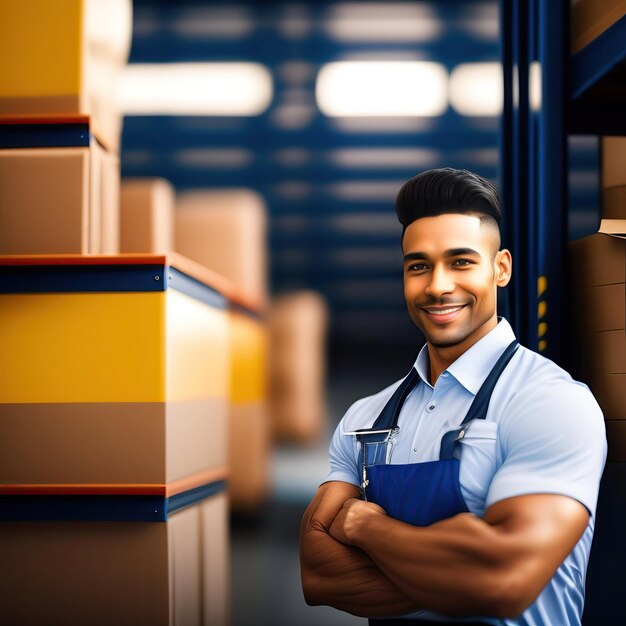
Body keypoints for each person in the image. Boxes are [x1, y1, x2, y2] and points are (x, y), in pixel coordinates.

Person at [299, 168, 607, 626]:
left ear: (500, 268)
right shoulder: (365, 419)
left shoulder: (550, 402)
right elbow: (318, 576)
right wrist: (458, 568)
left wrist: (366, 526)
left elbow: (502, 581)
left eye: (461, 262)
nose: (438, 286)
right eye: (419, 265)